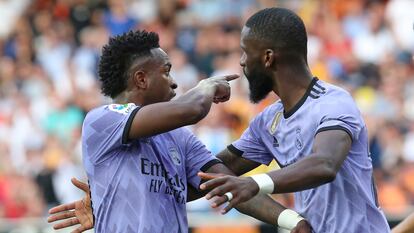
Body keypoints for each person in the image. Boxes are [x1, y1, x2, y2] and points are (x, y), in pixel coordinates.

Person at [48, 29, 312, 233]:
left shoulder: (180, 138)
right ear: (141, 79)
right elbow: (193, 109)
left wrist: (291, 220)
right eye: (166, 72)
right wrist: (206, 86)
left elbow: (228, 186)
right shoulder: (102, 120)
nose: (174, 83)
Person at [196, 8, 391, 233]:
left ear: (268, 57)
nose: (241, 62)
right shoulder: (268, 122)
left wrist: (254, 183)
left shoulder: (333, 103)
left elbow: (325, 164)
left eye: (245, 52)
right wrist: (197, 96)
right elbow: (214, 171)